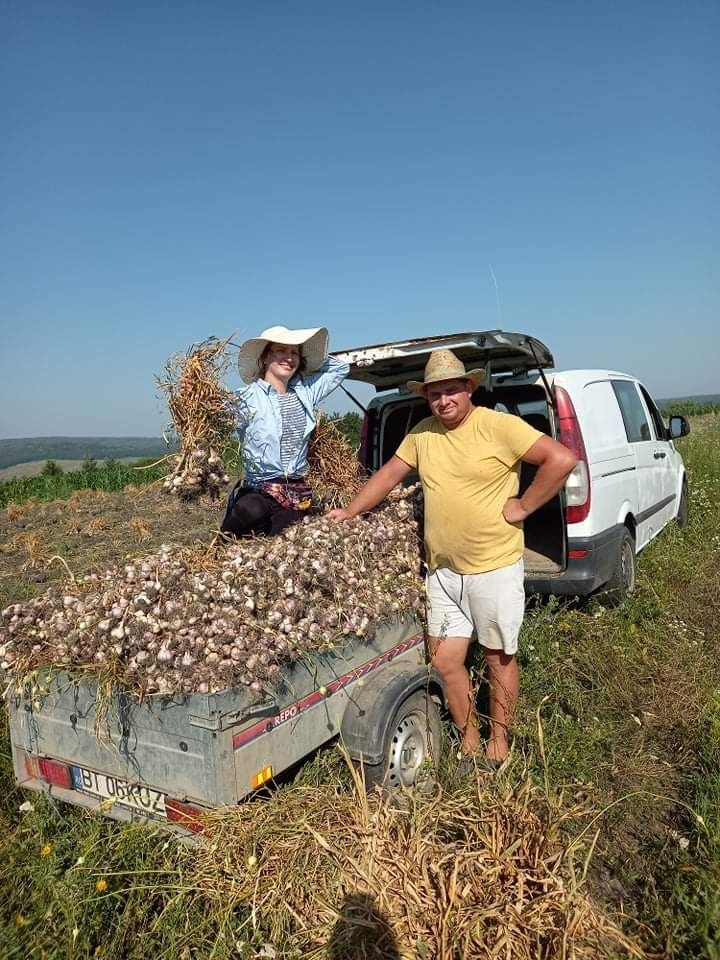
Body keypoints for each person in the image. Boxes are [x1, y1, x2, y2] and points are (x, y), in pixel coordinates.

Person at [328, 349, 576, 770]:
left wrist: (523, 506)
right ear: (427, 398)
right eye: (435, 394)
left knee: (498, 657)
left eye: (451, 391)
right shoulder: (422, 434)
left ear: (468, 388)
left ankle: (499, 742)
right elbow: (388, 474)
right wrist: (350, 512)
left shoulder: (498, 426)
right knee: (445, 661)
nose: (444, 401)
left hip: (493, 567)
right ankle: (470, 738)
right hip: (443, 573)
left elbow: (562, 459)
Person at [221, 325, 349, 538]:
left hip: (294, 492)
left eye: (294, 353)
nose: (289, 358)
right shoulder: (245, 398)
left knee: (283, 544)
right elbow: (214, 419)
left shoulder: (306, 391)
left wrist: (309, 361)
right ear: (264, 358)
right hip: (258, 488)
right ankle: (218, 548)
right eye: (280, 351)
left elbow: (340, 368)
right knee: (249, 511)